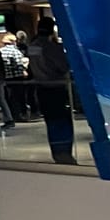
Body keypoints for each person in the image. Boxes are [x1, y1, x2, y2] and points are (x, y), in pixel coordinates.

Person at [28, 18, 76, 164]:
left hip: (41, 88)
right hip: (56, 87)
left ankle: (56, 152)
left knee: (51, 122)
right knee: (62, 122)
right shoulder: (51, 47)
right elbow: (63, 66)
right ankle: (64, 152)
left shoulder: (32, 46)